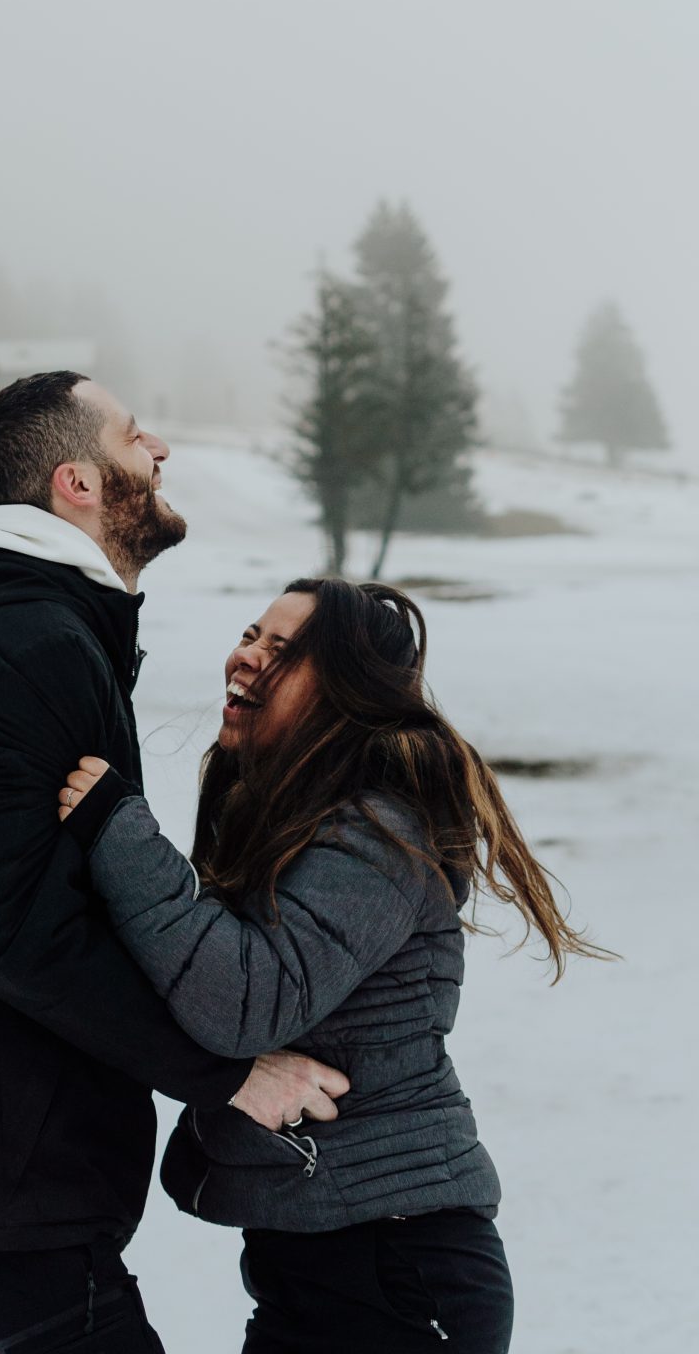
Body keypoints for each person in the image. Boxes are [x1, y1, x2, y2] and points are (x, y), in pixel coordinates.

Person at [0, 373, 349, 1354]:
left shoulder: (42, 633)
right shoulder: (34, 647)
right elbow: (11, 934)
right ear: (75, 482)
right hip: (9, 1174)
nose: (157, 448)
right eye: (132, 436)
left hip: (12, 1172)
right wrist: (227, 1073)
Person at [59, 576, 608, 1352]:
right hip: (322, 1261)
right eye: (250, 634)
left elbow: (243, 1002)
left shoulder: (379, 835)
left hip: (397, 1268)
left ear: (345, 691)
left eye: (283, 650)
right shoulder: (301, 820)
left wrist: (120, 835)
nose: (246, 656)